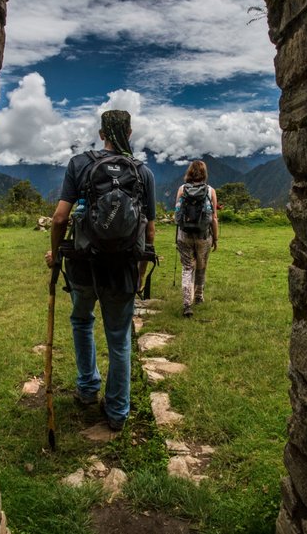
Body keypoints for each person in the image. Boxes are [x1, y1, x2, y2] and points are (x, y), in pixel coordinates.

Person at [44, 110, 156, 431]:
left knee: (82, 322)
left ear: (101, 133)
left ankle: (87, 388)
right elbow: (149, 231)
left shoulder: (80, 164)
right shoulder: (143, 172)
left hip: (83, 265)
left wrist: (56, 254)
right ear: (129, 133)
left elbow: (59, 218)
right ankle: (118, 412)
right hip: (122, 269)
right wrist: (140, 274)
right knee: (119, 339)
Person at [174, 160, 219, 317]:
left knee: (187, 268)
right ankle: (199, 296)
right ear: (204, 173)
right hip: (203, 235)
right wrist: (216, 239)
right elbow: (214, 218)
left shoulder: (182, 189)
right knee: (201, 266)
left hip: (184, 235)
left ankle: (187, 304)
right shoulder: (210, 191)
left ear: (189, 172)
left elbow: (177, 214)